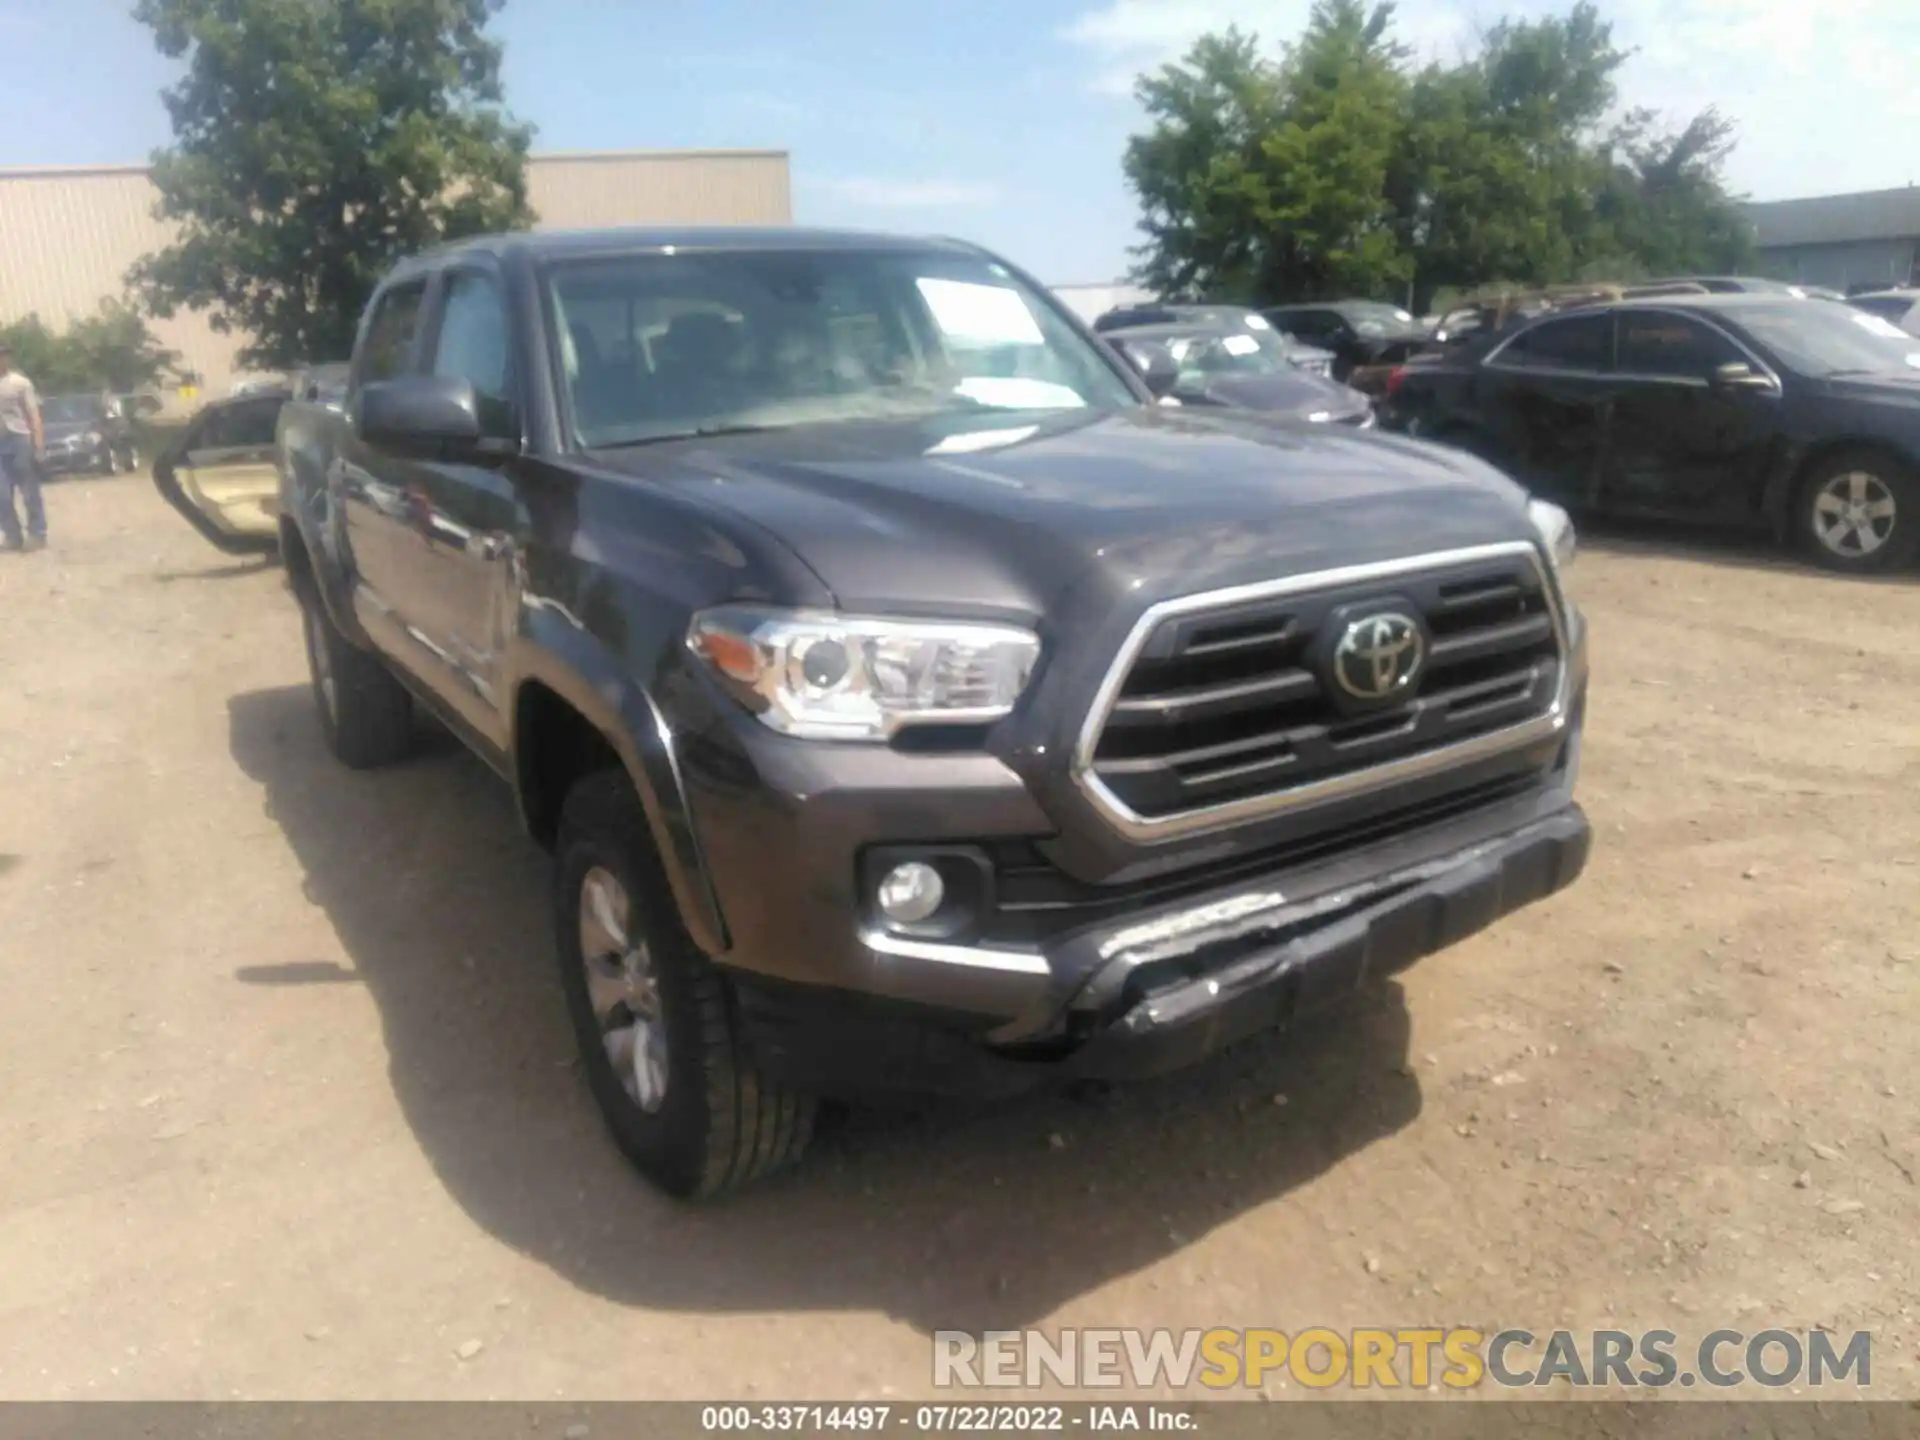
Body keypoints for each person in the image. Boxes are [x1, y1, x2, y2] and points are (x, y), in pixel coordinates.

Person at [0, 345, 47, 552]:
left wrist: (38, 445)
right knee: (2, 495)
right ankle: (12, 535)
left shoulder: (20, 383)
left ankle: (37, 534)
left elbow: (33, 414)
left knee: (29, 491)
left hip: (19, 440)